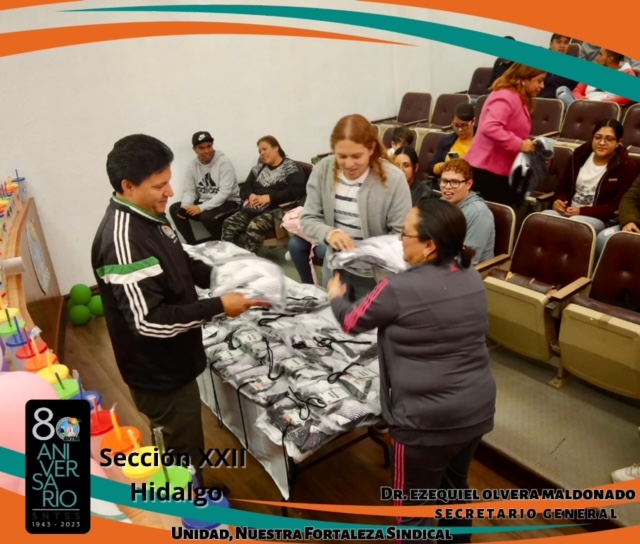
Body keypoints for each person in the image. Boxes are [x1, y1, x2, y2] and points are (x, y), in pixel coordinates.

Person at [91, 134, 266, 488]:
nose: (169, 192)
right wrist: (220, 305)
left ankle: (192, 486)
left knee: (186, 436)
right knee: (178, 449)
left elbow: (179, 259)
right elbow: (149, 322)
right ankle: (188, 503)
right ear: (127, 186)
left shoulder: (148, 215)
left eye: (168, 182)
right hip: (158, 372)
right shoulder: (124, 242)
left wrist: (222, 277)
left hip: (177, 359)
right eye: (159, 186)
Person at [328, 198, 496, 543]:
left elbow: (352, 321)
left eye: (405, 235)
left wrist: (336, 296)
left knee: (411, 515)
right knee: (454, 490)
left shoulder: (398, 288)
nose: (400, 240)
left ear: (430, 245)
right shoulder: (472, 277)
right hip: (476, 411)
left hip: (424, 423)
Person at [300, 114, 412, 301]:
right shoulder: (323, 170)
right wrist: (329, 233)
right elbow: (309, 219)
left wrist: (366, 252)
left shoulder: (394, 179)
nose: (349, 164)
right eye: (341, 156)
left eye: (356, 156)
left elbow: (402, 235)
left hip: (378, 277)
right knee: (334, 316)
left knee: (370, 320)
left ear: (371, 149)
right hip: (337, 271)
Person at [465, 63, 546, 206]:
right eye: (539, 81)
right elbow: (490, 127)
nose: (542, 86)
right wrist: (519, 144)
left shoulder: (518, 97)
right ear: (524, 79)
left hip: (501, 172)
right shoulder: (505, 95)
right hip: (487, 172)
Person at [545, 119, 639, 239]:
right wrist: (560, 201)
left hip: (599, 218)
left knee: (575, 224)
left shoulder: (627, 167)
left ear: (618, 143)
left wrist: (582, 211)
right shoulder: (579, 156)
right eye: (598, 137)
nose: (602, 143)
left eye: (609, 139)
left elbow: (617, 205)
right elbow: (563, 186)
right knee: (544, 217)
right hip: (568, 211)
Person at [221, 135, 306, 253]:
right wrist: (250, 195)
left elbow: (295, 191)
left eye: (264, 149)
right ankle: (228, 256)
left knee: (254, 226)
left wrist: (270, 197)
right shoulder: (258, 168)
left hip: (278, 210)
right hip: (253, 208)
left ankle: (250, 258)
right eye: (260, 151)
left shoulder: (291, 168)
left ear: (276, 148)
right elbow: (245, 188)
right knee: (228, 223)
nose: (262, 153)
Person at [169, 131, 240, 244]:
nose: (207, 151)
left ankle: (225, 245)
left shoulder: (224, 162)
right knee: (175, 209)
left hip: (229, 202)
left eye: (209, 146)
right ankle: (192, 246)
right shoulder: (193, 165)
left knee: (206, 217)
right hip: (206, 202)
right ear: (195, 149)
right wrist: (185, 207)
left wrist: (201, 207)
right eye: (201, 148)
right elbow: (190, 191)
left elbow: (224, 193)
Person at [439, 159, 495, 265]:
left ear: (468, 184)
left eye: (455, 182)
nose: (447, 186)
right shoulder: (441, 203)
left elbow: (467, 261)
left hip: (470, 271)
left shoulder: (479, 214)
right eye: (444, 181)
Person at [557, 49, 636, 110]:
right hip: (585, 104)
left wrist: (610, 102)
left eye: (600, 54)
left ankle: (576, 112)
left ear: (610, 59)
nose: (597, 58)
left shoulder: (625, 72)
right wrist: (582, 99)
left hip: (604, 107)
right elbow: (577, 91)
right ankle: (578, 111)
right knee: (562, 90)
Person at [428, 103, 476, 177]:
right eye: (456, 125)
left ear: (473, 121)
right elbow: (430, 167)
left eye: (464, 125)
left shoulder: (483, 142)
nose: (459, 130)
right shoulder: (447, 141)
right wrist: (443, 166)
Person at [540, 34, 579, 99]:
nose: (562, 46)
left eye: (566, 43)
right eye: (558, 42)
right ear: (550, 44)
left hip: (558, 100)